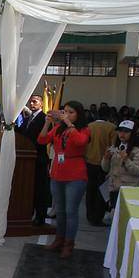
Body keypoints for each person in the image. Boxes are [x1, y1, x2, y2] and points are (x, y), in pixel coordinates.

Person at [38, 101, 91, 258]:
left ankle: (69, 243)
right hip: (58, 173)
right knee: (60, 211)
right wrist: (47, 123)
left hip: (75, 175)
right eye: (65, 111)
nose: (66, 114)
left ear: (78, 114)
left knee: (71, 211)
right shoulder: (58, 129)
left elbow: (80, 142)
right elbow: (42, 140)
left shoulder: (84, 129)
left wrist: (68, 123)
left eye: (71, 112)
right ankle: (59, 239)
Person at [102, 120, 139, 222]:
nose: (122, 134)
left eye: (126, 131)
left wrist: (126, 159)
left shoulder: (138, 151)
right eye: (120, 131)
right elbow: (105, 169)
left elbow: (138, 171)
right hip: (114, 188)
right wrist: (105, 158)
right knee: (115, 219)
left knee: (126, 219)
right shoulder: (115, 148)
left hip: (129, 189)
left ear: (133, 133)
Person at [17, 94, 50, 226]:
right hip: (27, 159)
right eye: (30, 102)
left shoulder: (44, 118)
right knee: (28, 188)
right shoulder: (28, 117)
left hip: (38, 157)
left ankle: (40, 216)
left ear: (41, 104)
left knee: (39, 189)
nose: (31, 104)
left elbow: (44, 137)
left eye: (35, 102)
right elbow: (22, 133)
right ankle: (27, 213)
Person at [84, 108, 116, 226]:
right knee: (101, 191)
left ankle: (89, 215)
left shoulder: (89, 126)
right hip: (104, 163)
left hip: (89, 161)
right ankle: (97, 217)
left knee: (90, 189)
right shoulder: (111, 128)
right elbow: (113, 147)